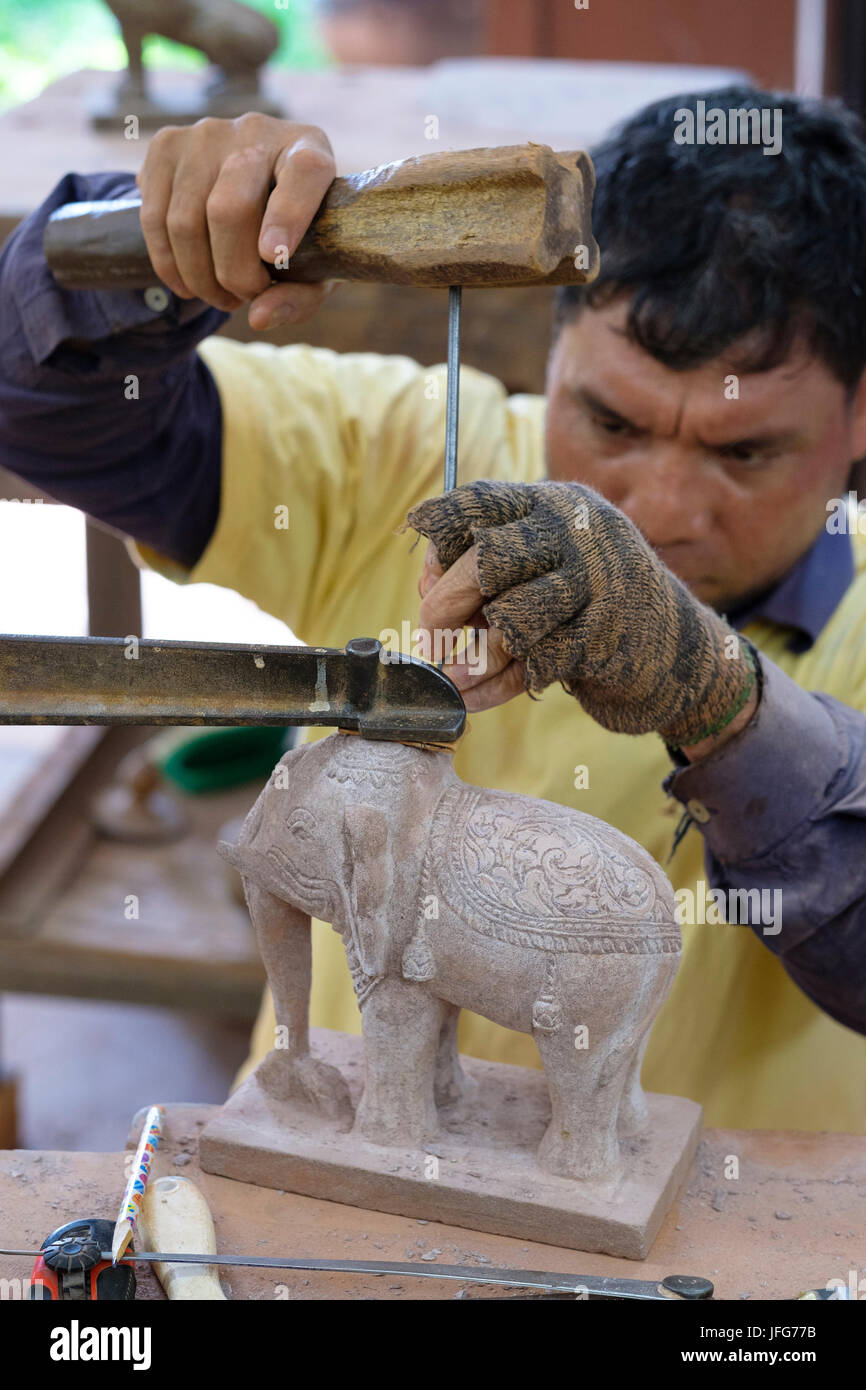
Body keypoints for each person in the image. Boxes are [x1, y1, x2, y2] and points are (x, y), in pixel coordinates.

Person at [1, 86, 864, 1132]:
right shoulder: (411, 456)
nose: (658, 512)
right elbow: (41, 409)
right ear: (551, 346)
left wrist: (717, 700)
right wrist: (151, 254)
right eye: (607, 420)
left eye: (742, 450)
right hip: (344, 1211)